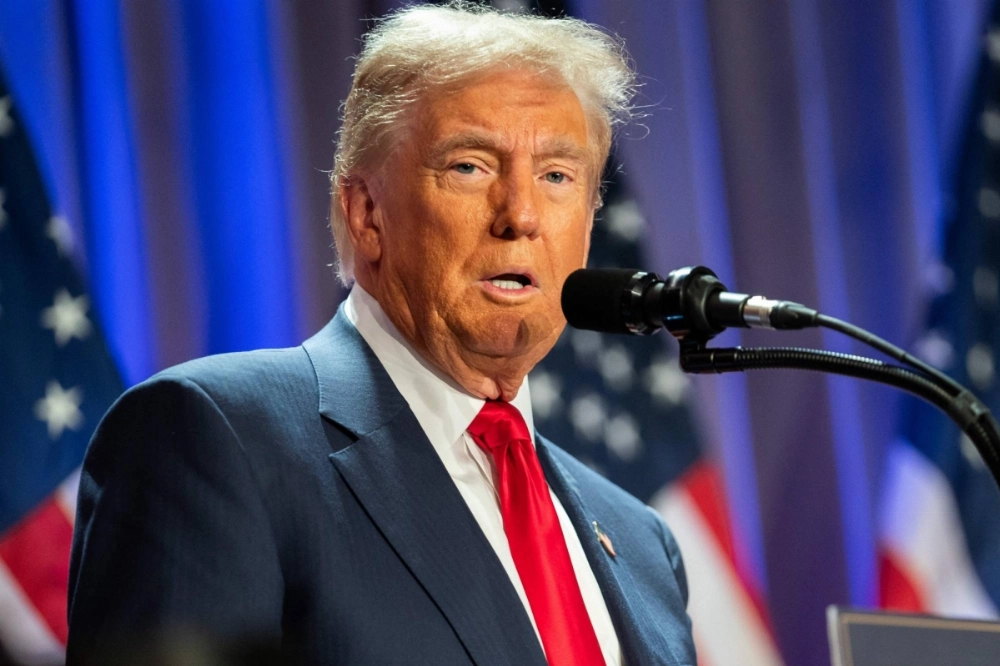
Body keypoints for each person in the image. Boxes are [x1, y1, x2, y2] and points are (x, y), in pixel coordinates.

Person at [67, 4, 696, 665]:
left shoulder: (643, 544)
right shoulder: (213, 441)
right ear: (366, 214)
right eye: (471, 166)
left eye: (557, 176)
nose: (521, 214)